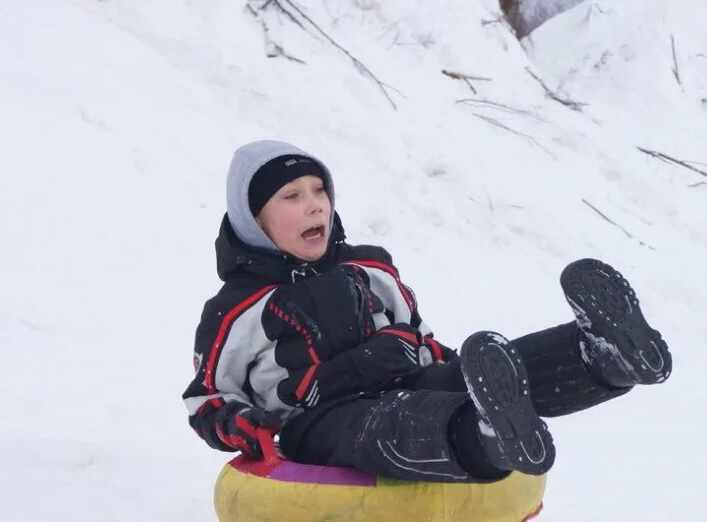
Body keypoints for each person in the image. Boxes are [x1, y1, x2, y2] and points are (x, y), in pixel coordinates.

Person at [181, 140, 672, 482]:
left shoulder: (368, 266)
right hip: (317, 419)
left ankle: (598, 357)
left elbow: (418, 332)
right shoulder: (238, 308)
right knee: (386, 423)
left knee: (460, 381)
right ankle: (487, 440)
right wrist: (242, 425)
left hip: (403, 379)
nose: (315, 207)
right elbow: (207, 398)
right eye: (291, 197)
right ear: (253, 220)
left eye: (320, 191)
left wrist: (452, 366)